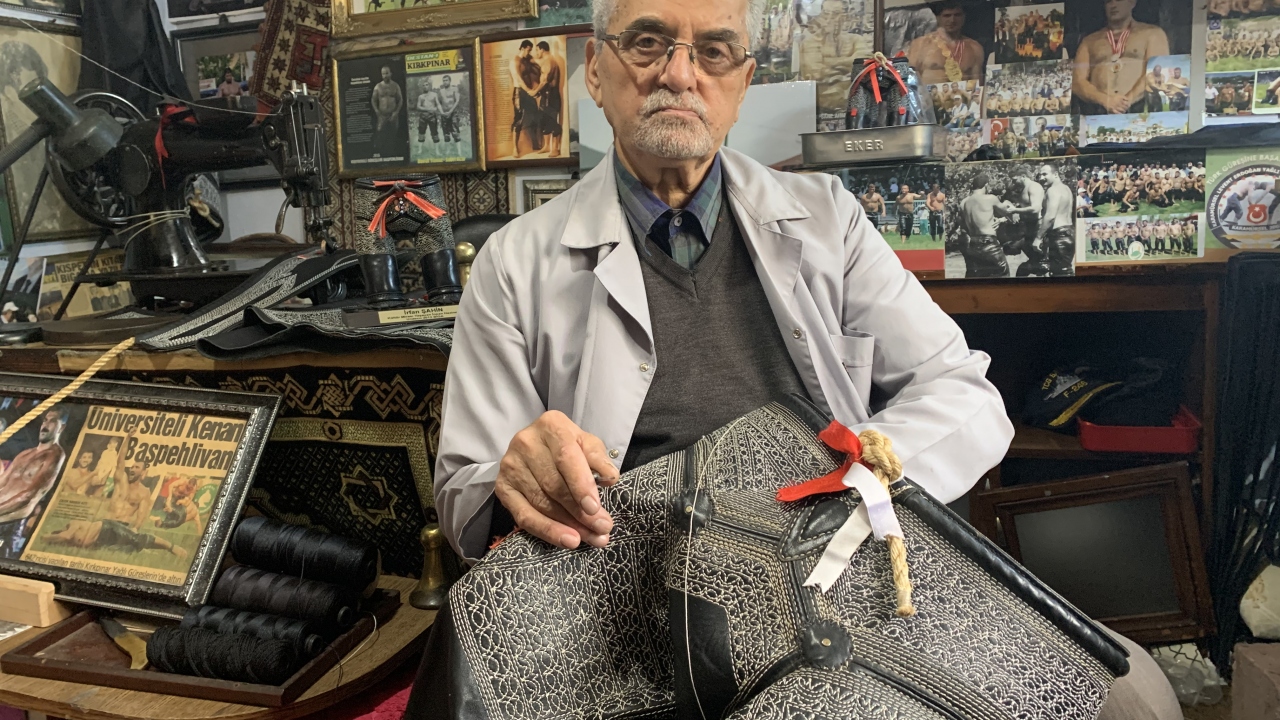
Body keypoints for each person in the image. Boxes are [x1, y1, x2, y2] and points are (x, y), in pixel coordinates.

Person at [421, 0, 1177, 716]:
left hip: (833, 564)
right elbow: (464, 493)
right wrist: (516, 474)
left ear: (743, 81)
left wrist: (855, 481)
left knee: (1131, 691)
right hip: (627, 608)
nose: (681, 74)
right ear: (596, 68)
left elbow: (964, 393)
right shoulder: (515, 262)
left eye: (713, 51)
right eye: (648, 42)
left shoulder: (826, 218)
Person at [1072, 0, 1170, 115]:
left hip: (1140, 110)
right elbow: (1077, 82)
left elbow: (1158, 71)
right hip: (1099, 112)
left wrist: (1126, 102)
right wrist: (1105, 100)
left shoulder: (1153, 34)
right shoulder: (1090, 41)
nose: (1113, 5)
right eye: (1108, 1)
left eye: (1118, 0)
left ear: (1132, 2)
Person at [0, 411, 67, 558]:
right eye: (45, 420)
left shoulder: (54, 455)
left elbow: (28, 495)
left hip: (10, 522)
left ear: (61, 427)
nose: (45, 425)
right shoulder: (24, 454)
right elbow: (2, 481)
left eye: (52, 421)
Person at [907, 1, 985, 84]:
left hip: (962, 92)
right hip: (929, 92)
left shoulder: (974, 48)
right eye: (947, 16)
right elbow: (910, 79)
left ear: (964, 17)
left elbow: (978, 84)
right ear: (938, 18)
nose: (952, 20)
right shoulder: (921, 44)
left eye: (957, 15)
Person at [44, 519, 186, 559]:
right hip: (101, 543)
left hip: (106, 528)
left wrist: (45, 538)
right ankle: (147, 552)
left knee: (136, 539)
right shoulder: (69, 545)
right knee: (126, 551)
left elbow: (65, 535)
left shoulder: (72, 525)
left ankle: (171, 547)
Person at [1033, 163, 1075, 276]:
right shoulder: (1066, 189)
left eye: (1045, 174)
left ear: (1055, 174)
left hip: (1059, 236)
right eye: (1040, 175)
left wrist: (1038, 238)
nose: (1041, 178)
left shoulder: (1053, 190)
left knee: (1061, 275)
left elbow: (1050, 216)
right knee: (1064, 271)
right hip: (1070, 233)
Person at [509, 40, 544, 157]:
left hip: (528, 91)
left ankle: (535, 144)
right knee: (518, 119)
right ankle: (515, 148)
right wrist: (530, 92)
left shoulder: (527, 59)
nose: (529, 52)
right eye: (528, 50)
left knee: (535, 115)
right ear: (522, 48)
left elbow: (537, 65)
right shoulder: (515, 61)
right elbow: (519, 79)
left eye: (530, 50)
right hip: (519, 92)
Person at [534, 41, 565, 157]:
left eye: (537, 50)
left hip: (550, 95)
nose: (536, 52)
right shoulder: (548, 61)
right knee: (544, 120)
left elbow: (545, 81)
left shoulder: (549, 61)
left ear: (542, 49)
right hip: (546, 94)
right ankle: (547, 146)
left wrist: (534, 91)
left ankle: (555, 148)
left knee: (552, 122)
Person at [371, 66, 404, 155]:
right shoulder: (378, 86)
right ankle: (380, 155)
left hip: (393, 115)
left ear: (390, 73)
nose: (385, 75)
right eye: (383, 74)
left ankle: (392, 155)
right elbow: (373, 100)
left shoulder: (395, 86)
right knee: (380, 135)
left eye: (386, 73)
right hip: (382, 115)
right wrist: (377, 111)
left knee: (393, 135)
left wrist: (396, 112)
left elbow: (400, 100)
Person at [437, 74, 462, 156]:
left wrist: (450, 111)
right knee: (446, 133)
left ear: (450, 81)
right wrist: (441, 112)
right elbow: (438, 103)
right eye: (443, 81)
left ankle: (459, 152)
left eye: (446, 80)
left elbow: (457, 101)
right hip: (444, 113)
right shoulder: (441, 91)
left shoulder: (455, 89)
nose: (445, 82)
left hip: (453, 113)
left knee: (455, 132)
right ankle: (448, 151)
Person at [416, 76, 442, 146]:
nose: (425, 86)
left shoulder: (434, 95)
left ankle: (437, 150)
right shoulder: (420, 96)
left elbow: (438, 104)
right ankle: (420, 150)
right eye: (423, 85)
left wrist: (440, 111)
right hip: (423, 117)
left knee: (434, 132)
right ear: (422, 87)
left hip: (432, 116)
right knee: (421, 133)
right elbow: (418, 107)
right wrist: (428, 109)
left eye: (426, 85)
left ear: (429, 86)